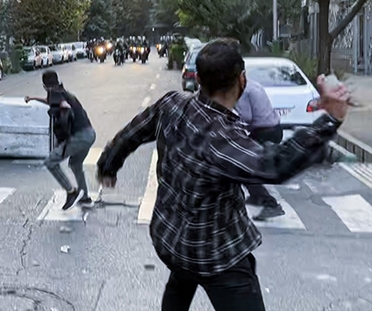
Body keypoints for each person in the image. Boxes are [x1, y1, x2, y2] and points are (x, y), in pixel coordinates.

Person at [96, 38, 350, 311]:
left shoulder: (171, 104)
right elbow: (276, 164)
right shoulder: (223, 138)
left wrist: (108, 165)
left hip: (169, 238)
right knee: (197, 271)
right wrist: (331, 120)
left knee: (181, 275)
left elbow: (133, 132)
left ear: (198, 78)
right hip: (217, 256)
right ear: (242, 80)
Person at [26, 70, 97, 210]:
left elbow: (64, 106)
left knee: (50, 162)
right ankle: (84, 197)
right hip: (89, 134)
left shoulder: (56, 94)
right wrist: (34, 98)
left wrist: (62, 138)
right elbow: (52, 102)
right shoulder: (62, 92)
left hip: (79, 137)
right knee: (75, 165)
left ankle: (71, 192)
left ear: (45, 86)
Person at [235, 76, 286, 221]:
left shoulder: (243, 91)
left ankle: (270, 204)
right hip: (272, 129)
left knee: (244, 168)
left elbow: (246, 116)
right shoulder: (253, 84)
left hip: (265, 132)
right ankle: (257, 196)